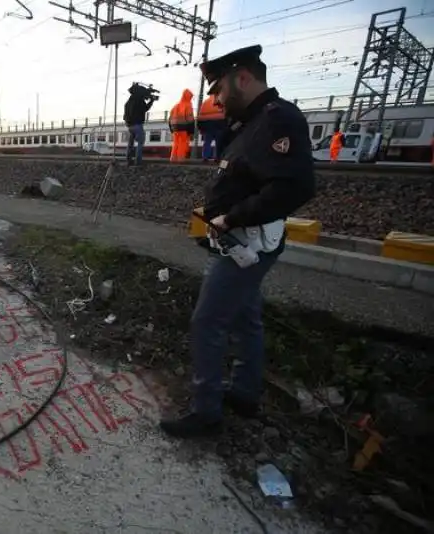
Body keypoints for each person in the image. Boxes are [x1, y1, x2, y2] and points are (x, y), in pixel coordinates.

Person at [159, 45, 316, 437]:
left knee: (208, 321)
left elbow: (293, 186)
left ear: (242, 78)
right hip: (236, 241)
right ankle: (245, 394)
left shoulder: (277, 119)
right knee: (246, 318)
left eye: (218, 89)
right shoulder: (250, 122)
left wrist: (231, 216)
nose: (214, 98)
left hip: (247, 242)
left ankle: (206, 410)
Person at [123, 83, 155, 166]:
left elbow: (125, 115)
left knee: (130, 144)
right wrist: (152, 101)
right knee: (140, 142)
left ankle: (128, 161)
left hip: (129, 125)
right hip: (137, 125)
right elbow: (145, 108)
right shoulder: (139, 100)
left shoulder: (128, 102)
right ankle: (138, 161)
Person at [168, 89, 195, 161]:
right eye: (191, 97)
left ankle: (173, 159)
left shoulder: (175, 106)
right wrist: (191, 132)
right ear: (188, 97)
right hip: (183, 127)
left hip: (174, 128)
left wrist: (171, 130)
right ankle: (181, 159)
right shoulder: (188, 105)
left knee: (176, 143)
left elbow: (169, 119)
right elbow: (190, 120)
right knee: (183, 144)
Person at [198, 95, 225, 161]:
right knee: (219, 142)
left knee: (207, 142)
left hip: (207, 125)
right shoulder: (221, 101)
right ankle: (217, 157)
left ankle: (205, 157)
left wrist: (201, 128)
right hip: (219, 124)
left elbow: (200, 116)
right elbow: (226, 113)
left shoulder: (205, 102)